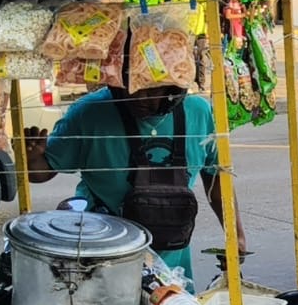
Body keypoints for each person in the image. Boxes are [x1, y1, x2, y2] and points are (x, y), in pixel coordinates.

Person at [22, 45, 241, 286]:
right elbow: (42, 172)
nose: (138, 97)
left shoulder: (199, 112)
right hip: (100, 264)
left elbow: (217, 178)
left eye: (150, 88)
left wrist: (236, 234)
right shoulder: (88, 113)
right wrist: (32, 159)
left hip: (173, 270)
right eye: (130, 86)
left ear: (174, 85)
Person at [170, 0, 211, 92]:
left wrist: (208, 29)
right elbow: (173, 10)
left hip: (201, 29)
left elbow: (208, 10)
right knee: (186, 57)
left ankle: (202, 84)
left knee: (202, 56)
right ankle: (188, 83)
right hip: (185, 30)